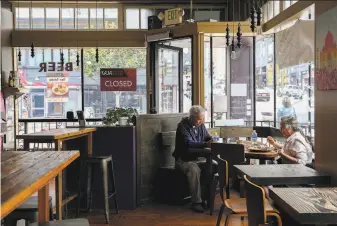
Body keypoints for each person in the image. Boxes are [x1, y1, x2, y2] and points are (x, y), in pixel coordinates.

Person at [172, 105, 215, 213]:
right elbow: (188, 143)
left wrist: (212, 140)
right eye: (199, 119)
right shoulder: (182, 126)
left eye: (202, 119)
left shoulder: (201, 125)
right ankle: (196, 202)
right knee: (194, 170)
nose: (201, 121)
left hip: (197, 158)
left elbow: (207, 137)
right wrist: (206, 144)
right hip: (183, 160)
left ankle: (205, 198)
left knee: (214, 165)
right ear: (191, 117)